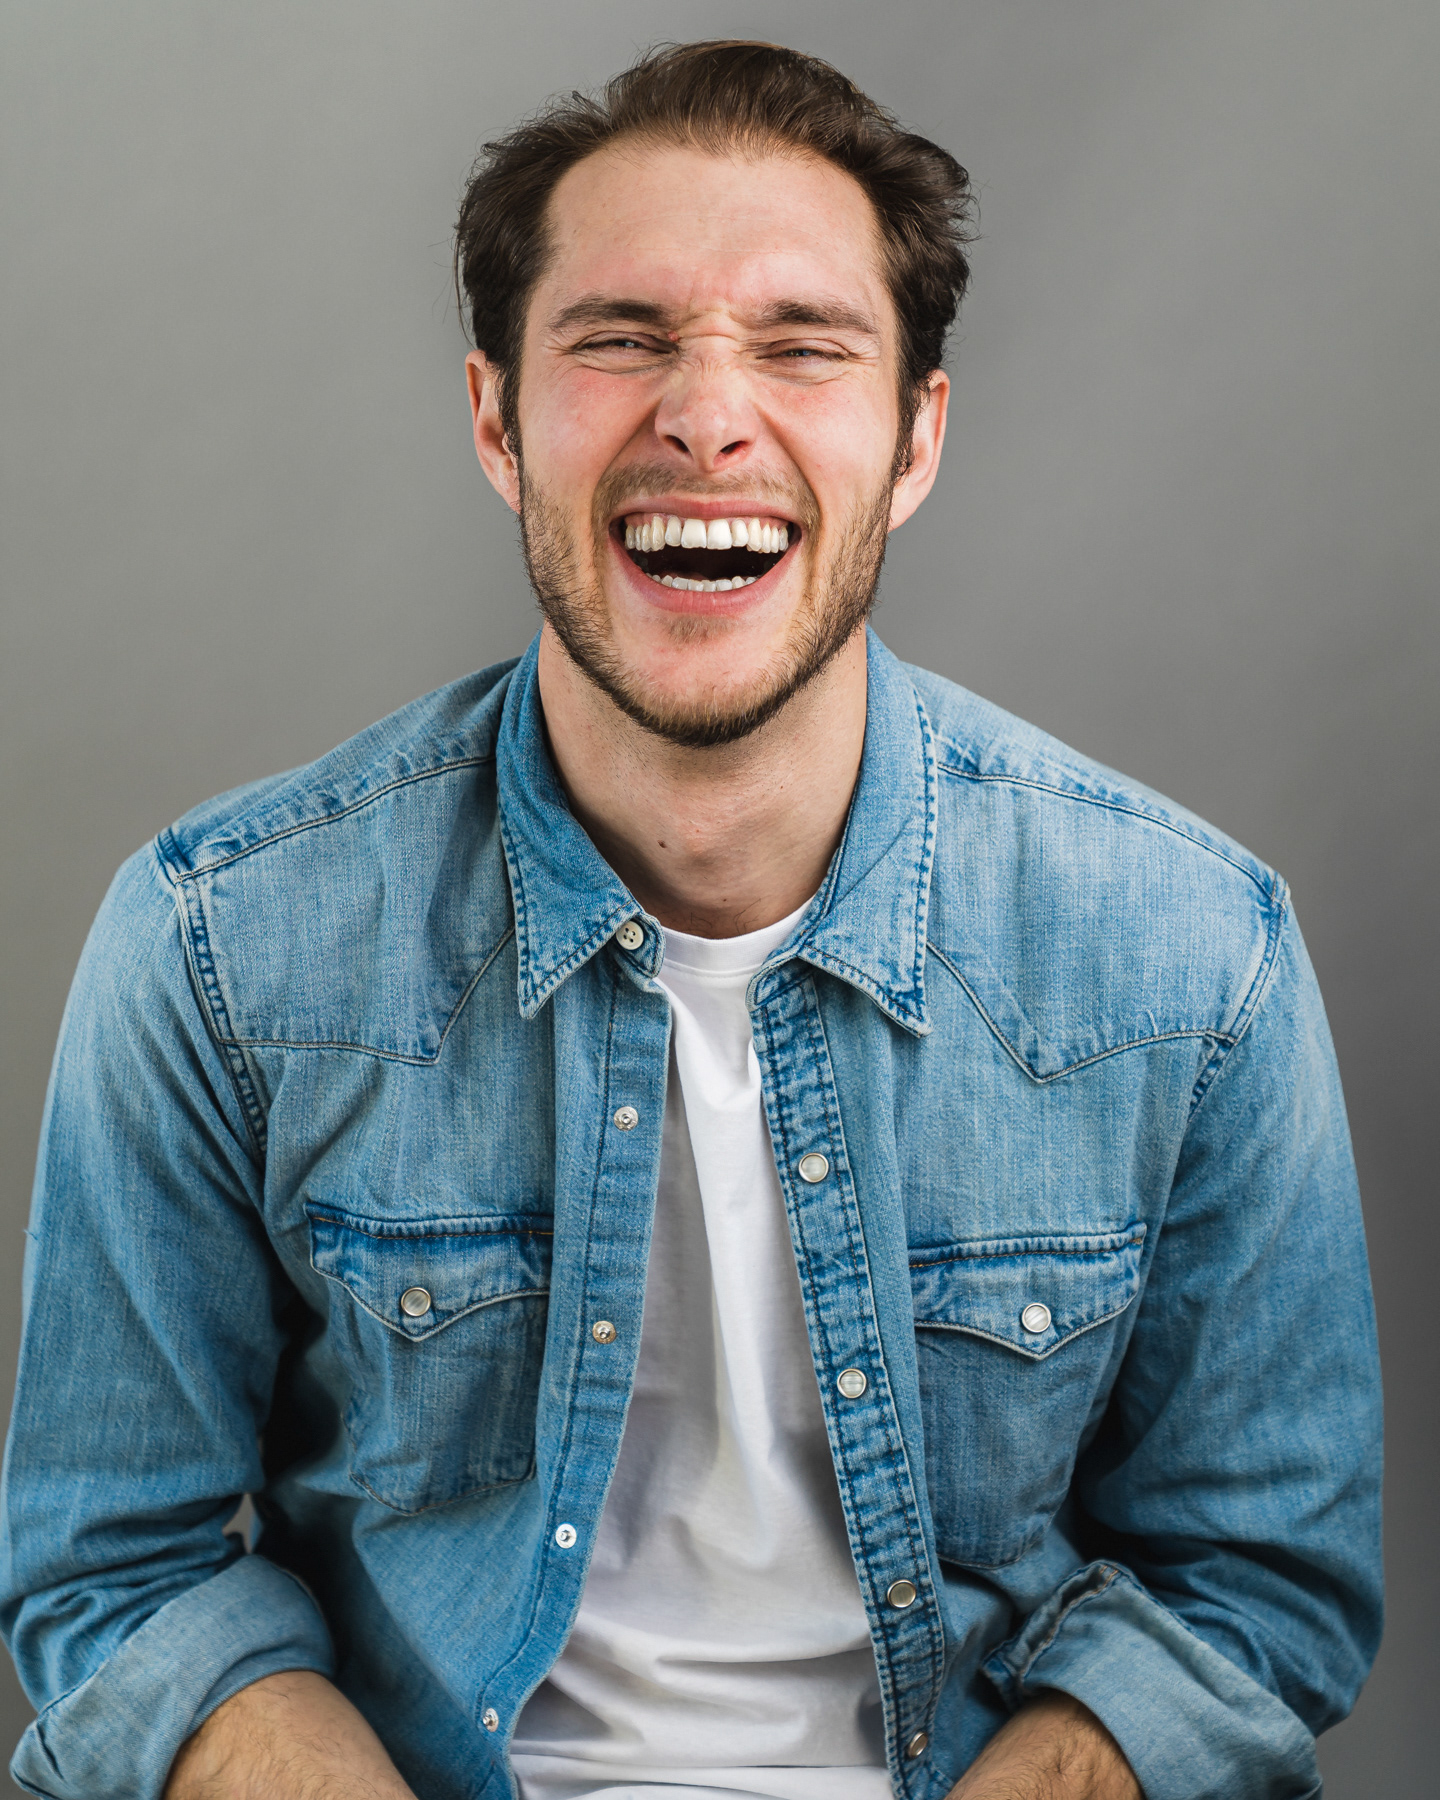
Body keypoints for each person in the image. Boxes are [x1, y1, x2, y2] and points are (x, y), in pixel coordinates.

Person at [0, 39, 1381, 1800]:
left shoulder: (1196, 954)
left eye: (802, 345)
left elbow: (1256, 1583)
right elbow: (117, 1571)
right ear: (498, 421)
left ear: (916, 438)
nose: (709, 415)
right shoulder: (216, 944)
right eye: (621, 337)